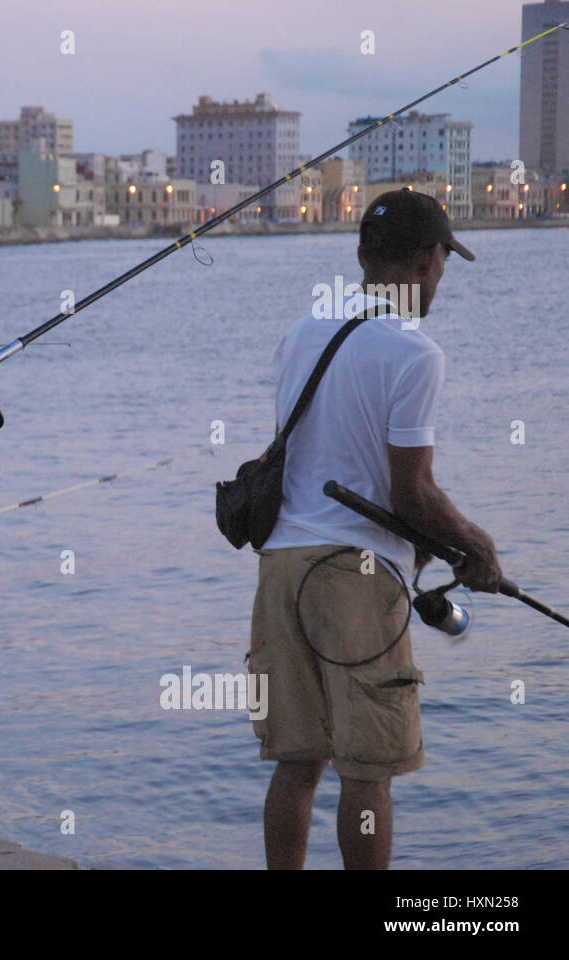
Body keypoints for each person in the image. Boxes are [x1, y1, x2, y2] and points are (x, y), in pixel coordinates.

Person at [247, 189, 503, 869]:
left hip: (280, 566)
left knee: (296, 762)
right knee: (368, 769)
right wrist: (477, 548)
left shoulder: (300, 333)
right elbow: (409, 491)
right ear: (425, 263)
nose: (439, 285)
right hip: (355, 580)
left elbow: (303, 455)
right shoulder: (416, 353)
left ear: (363, 256)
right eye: (441, 270)